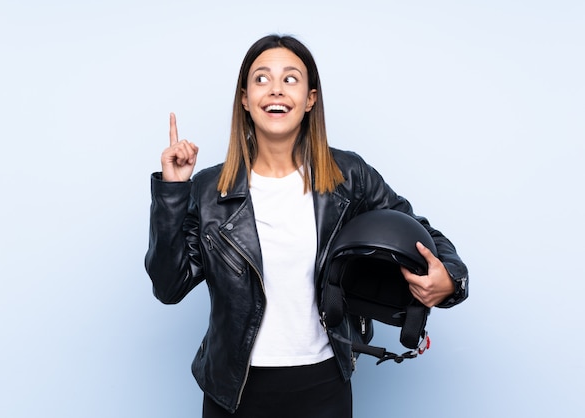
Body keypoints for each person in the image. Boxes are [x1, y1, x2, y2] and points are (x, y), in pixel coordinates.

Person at [144, 34, 468, 418]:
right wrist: (173, 191)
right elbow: (168, 286)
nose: (276, 90)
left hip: (323, 386)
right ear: (245, 99)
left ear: (310, 98)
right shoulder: (208, 190)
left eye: (290, 79)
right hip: (233, 391)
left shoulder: (349, 177)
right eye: (261, 79)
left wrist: (450, 280)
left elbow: (421, 233)